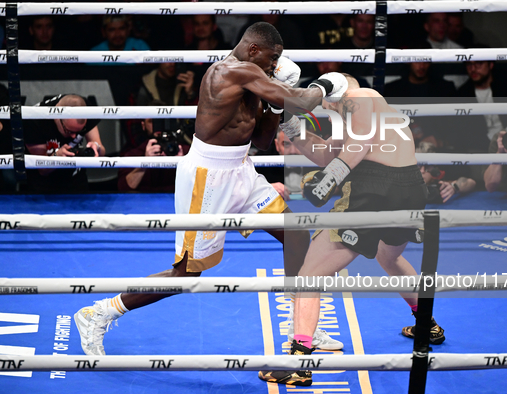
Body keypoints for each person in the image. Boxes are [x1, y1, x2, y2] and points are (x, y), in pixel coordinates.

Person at [74, 22, 348, 356]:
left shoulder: (256, 78)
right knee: (187, 272)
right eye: (272, 59)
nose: (274, 67)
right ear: (252, 50)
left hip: (241, 170)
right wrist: (329, 82)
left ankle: (303, 327)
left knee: (297, 236)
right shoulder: (231, 72)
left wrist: (276, 104)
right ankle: (100, 313)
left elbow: (261, 139)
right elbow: (304, 100)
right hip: (207, 178)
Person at [259, 80, 445, 387]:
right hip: (410, 189)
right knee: (389, 257)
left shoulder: (361, 97)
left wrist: (334, 175)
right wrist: (289, 123)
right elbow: (324, 154)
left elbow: (358, 145)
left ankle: (299, 363)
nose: (324, 107)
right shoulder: (366, 118)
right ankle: (427, 325)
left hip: (374, 190)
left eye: (325, 100)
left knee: (309, 276)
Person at [24, 94, 104, 193]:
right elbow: (42, 169)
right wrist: (57, 157)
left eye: (79, 131)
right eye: (69, 131)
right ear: (57, 117)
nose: (74, 136)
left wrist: (97, 148)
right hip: (44, 186)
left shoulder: (83, 108)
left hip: (77, 179)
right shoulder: (34, 121)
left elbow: (100, 149)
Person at [117, 107, 190, 193]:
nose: (158, 127)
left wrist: (182, 165)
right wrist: (144, 163)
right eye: (152, 121)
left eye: (161, 121)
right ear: (143, 125)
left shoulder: (186, 151)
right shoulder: (133, 154)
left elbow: (199, 186)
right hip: (143, 203)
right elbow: (123, 188)